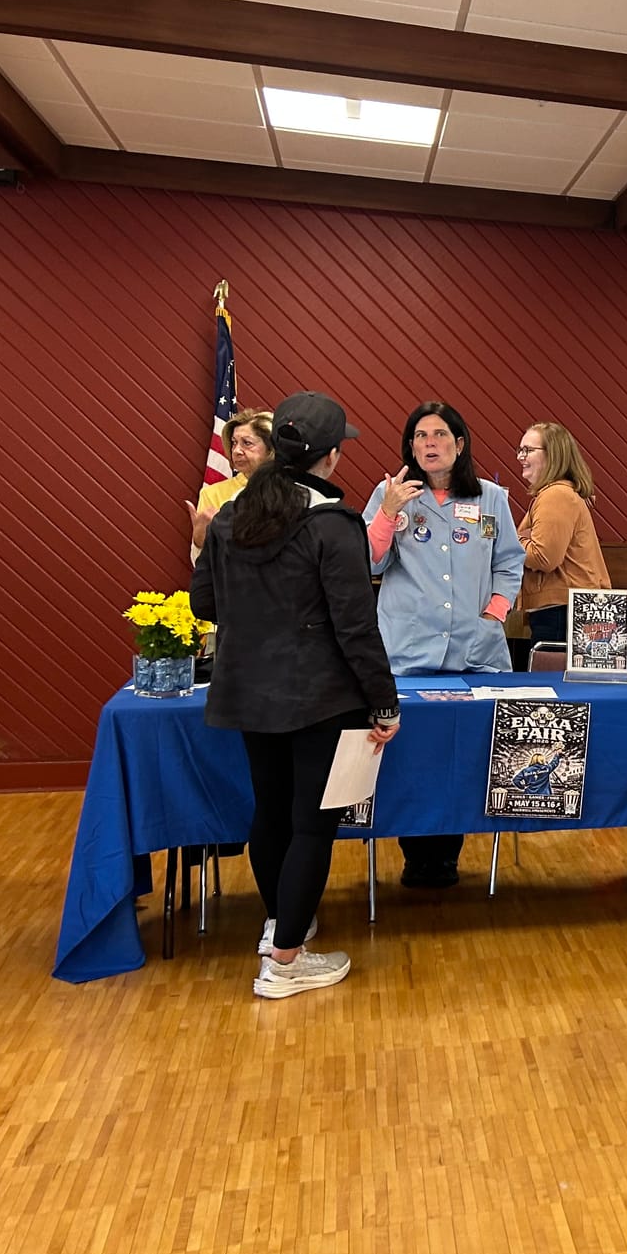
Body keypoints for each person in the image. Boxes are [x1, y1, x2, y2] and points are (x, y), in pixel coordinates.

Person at [191, 392, 400, 998]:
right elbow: (356, 627)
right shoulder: (333, 524)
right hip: (319, 696)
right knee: (312, 825)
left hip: (247, 689)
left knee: (271, 813)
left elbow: (205, 603)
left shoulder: (229, 517)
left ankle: (284, 924)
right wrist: (385, 703)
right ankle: (284, 961)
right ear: (330, 457)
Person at [363, 402, 524, 887]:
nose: (429, 443)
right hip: (408, 654)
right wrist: (388, 513)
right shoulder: (390, 494)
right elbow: (367, 562)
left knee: (466, 756)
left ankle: (449, 853)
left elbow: (509, 562)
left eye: (439, 434)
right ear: (410, 446)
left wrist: (495, 611)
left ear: (459, 444)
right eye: (420, 435)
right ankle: (416, 854)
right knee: (412, 758)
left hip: (475, 654)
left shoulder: (491, 497)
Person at [515, 421, 611, 648]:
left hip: (561, 612)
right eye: (519, 450)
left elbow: (543, 557)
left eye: (528, 450)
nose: (520, 457)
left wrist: (510, 538)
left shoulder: (556, 495)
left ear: (553, 455)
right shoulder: (557, 493)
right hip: (565, 608)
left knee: (553, 672)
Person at [188, 408, 275, 556]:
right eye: (234, 443)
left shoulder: (291, 491)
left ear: (270, 449)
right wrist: (200, 541)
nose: (236, 451)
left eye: (247, 443)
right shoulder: (213, 494)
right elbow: (199, 562)